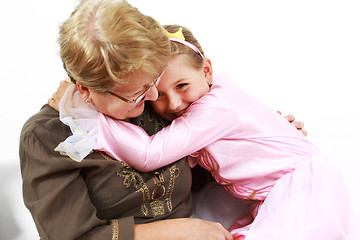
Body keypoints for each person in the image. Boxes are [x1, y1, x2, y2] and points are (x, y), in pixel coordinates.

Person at [53, 24, 349, 240]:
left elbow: (149, 154)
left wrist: (87, 114)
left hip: (301, 191)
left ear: (206, 71)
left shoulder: (215, 108)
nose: (174, 103)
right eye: (158, 95)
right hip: (268, 193)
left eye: (182, 86)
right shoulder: (205, 106)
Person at [19, 1, 234, 239]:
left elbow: (209, 169)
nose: (153, 96)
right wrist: (177, 231)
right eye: (137, 94)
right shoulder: (46, 137)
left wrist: (261, 139)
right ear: (85, 90)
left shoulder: (159, 102)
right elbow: (72, 236)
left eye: (153, 81)